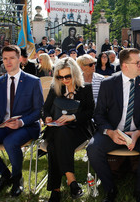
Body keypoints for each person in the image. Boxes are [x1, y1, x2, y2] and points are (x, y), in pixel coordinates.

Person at [87, 48, 140, 202]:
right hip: (114, 131)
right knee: (92, 148)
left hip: (138, 131)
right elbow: (98, 114)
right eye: (138, 62)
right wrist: (110, 132)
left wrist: (139, 132)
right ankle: (110, 188)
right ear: (125, 65)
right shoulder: (108, 83)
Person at [0, 45, 43, 197]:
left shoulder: (33, 81)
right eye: (5, 58)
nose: (8, 62)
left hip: (27, 126)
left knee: (10, 142)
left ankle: (17, 179)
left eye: (12, 58)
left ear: (20, 60)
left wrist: (21, 122)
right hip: (4, 125)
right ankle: (5, 175)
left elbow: (39, 111)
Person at [42, 57, 95, 202]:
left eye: (67, 76)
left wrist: (74, 117)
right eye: (60, 76)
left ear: (75, 73)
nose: (64, 79)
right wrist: (46, 118)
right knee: (59, 136)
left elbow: (91, 112)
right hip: (58, 128)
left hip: (79, 129)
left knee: (54, 145)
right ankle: (72, 182)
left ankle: (56, 190)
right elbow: (45, 109)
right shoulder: (55, 88)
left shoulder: (86, 88)